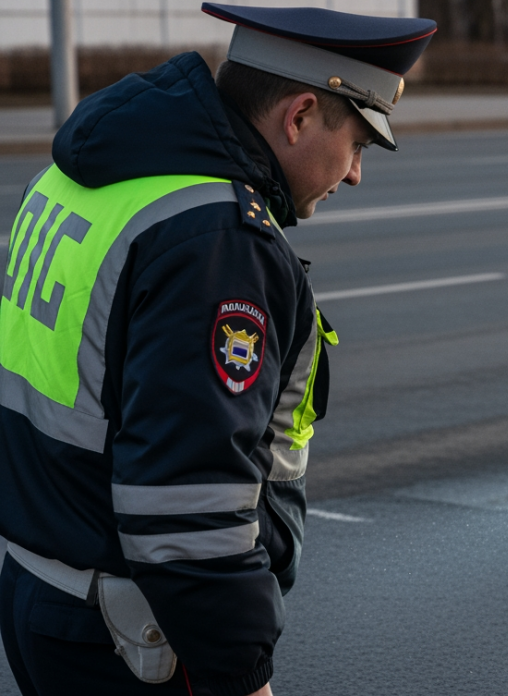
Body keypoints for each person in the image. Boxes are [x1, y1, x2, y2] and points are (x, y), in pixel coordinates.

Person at [0, 4, 435, 695]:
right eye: (357, 142)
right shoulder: (217, 241)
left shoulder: (99, 170)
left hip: (41, 584)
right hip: (131, 636)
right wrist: (243, 675)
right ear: (297, 117)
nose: (355, 174)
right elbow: (186, 510)